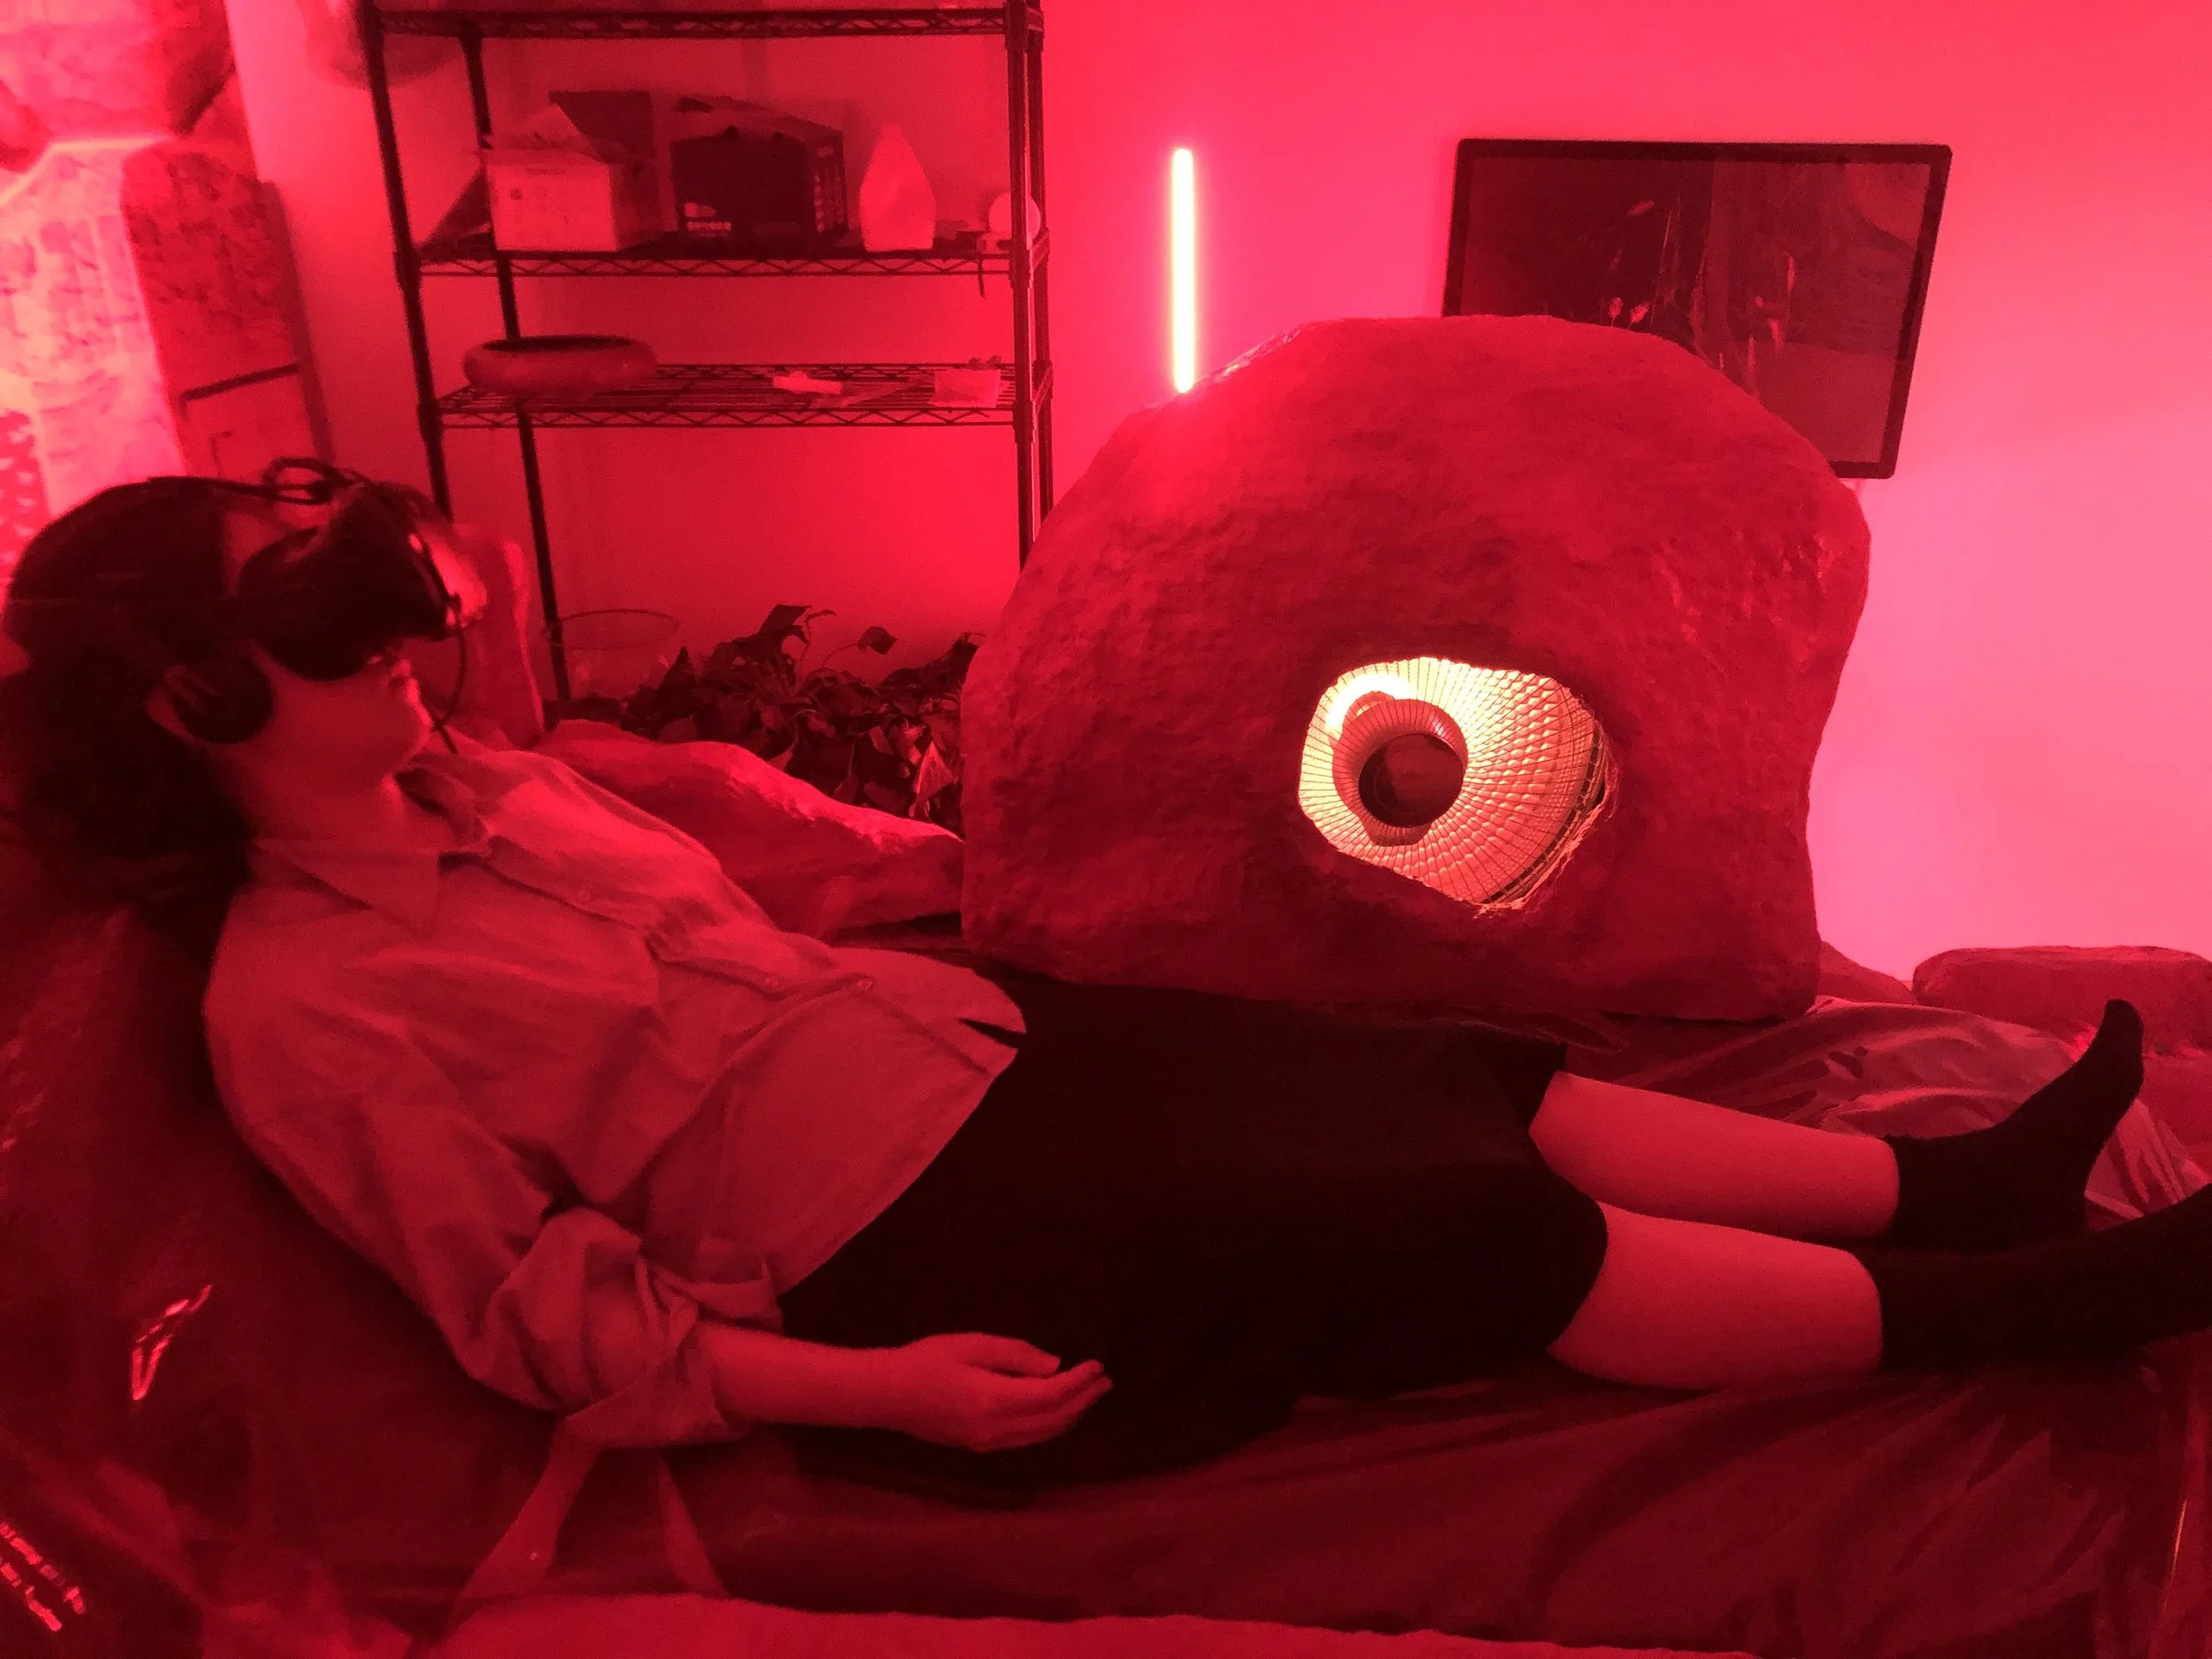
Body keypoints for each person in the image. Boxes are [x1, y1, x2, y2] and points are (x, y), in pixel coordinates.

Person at [4, 464, 2209, 1501]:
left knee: (1447, 1068)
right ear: (193, 701)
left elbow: (756, 904)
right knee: (1453, 1218)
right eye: (317, 626)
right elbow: (539, 1314)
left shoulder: (500, 785)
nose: (403, 651)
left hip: (957, 1039)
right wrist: (874, 1395)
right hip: (879, 1225)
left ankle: (1953, 1189)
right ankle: (2028, 1302)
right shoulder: (300, 1014)